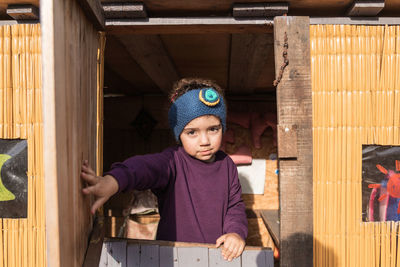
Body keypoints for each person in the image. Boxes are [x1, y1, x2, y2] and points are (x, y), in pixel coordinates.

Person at [81, 78, 248, 261]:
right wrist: (113, 181)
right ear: (179, 135)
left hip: (217, 259)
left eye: (213, 129)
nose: (205, 141)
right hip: (172, 259)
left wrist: (235, 233)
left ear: (222, 127)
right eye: (192, 132)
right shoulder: (172, 161)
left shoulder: (227, 166)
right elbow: (143, 168)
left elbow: (235, 206)